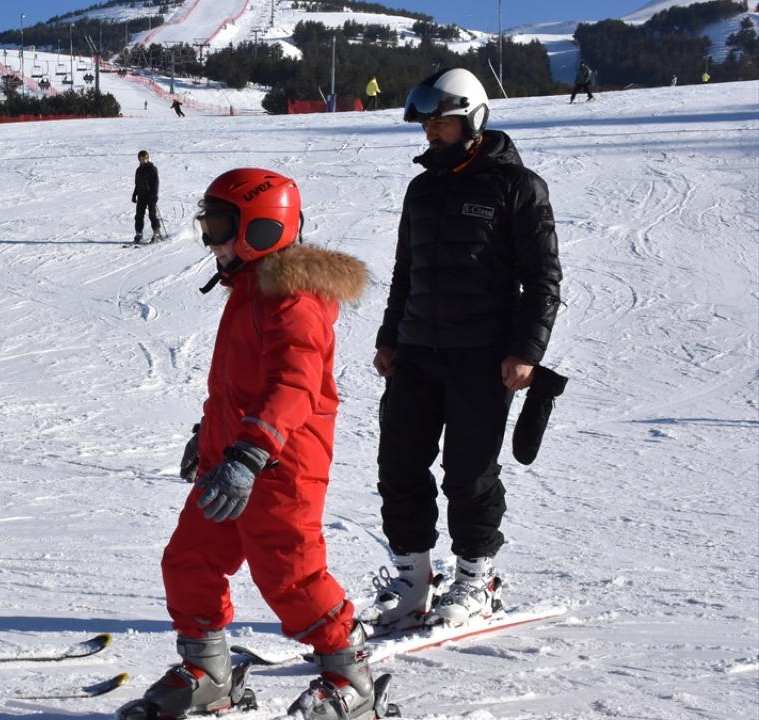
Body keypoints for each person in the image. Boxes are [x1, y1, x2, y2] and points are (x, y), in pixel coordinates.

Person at [119, 170, 389, 720]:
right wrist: (208, 433)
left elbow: (294, 385)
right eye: (208, 226)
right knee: (190, 560)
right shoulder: (249, 289)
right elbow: (234, 384)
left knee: (291, 575)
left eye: (219, 227)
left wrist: (248, 454)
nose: (210, 241)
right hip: (231, 460)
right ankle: (208, 673)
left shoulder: (294, 300)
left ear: (262, 229)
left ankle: (351, 677)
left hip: (281, 464)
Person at [364, 68, 562, 631]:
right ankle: (412, 581)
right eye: (426, 124)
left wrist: (526, 350)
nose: (430, 132)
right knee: (399, 465)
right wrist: (389, 337)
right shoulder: (422, 189)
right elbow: (406, 273)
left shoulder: (517, 187)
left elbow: (543, 279)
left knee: (468, 474)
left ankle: (477, 581)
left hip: (482, 355)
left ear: (472, 120)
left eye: (442, 122)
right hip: (416, 352)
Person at [132, 150, 162, 243]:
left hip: (150, 195)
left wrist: (155, 195)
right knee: (139, 215)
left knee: (152, 214)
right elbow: (137, 184)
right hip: (141, 195)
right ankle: (139, 233)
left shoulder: (152, 168)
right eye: (141, 159)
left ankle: (157, 233)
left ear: (148, 158)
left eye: (145, 159)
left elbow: (156, 183)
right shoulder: (138, 170)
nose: (143, 160)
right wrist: (134, 194)